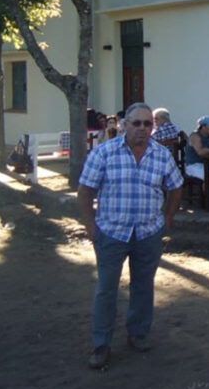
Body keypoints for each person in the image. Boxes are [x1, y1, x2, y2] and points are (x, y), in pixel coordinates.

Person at [77, 102, 183, 369]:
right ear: (125, 125)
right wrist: (91, 227)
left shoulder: (161, 155)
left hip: (148, 233)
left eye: (148, 124)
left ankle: (138, 334)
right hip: (112, 232)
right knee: (106, 289)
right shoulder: (104, 153)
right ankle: (101, 344)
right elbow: (85, 191)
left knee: (143, 286)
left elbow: (176, 187)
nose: (142, 129)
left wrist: (167, 218)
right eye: (136, 123)